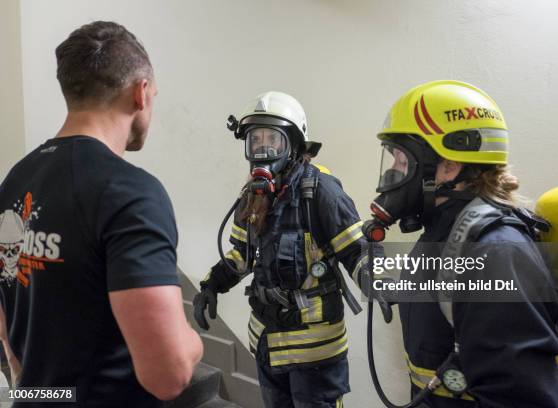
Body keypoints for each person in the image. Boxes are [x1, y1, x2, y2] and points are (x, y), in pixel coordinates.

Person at [0, 21, 203, 406]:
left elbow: (7, 326)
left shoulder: (15, 180)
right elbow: (168, 374)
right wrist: (191, 339)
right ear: (140, 93)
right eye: (154, 95)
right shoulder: (130, 193)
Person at [365, 80, 558, 407]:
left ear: (449, 166)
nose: (393, 173)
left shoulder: (496, 253)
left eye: (402, 161)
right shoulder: (444, 232)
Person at [193, 91, 391, 408]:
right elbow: (240, 257)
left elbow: (356, 251)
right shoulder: (252, 195)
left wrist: (374, 278)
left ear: (295, 145)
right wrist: (210, 285)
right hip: (266, 345)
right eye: (255, 141)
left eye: (273, 140)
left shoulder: (322, 191)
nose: (262, 149)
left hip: (315, 355)